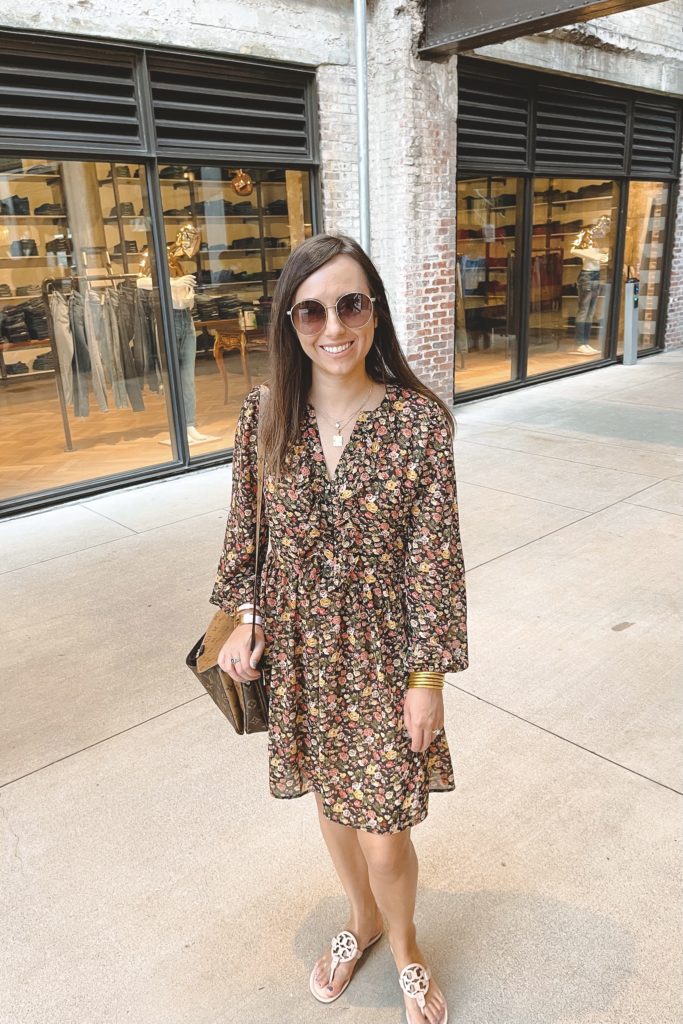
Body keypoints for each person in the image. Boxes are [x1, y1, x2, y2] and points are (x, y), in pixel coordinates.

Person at [210, 233, 468, 1024]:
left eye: (349, 303)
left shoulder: (417, 423)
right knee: (331, 799)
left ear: (374, 311)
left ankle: (405, 944)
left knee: (385, 830)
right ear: (290, 323)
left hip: (384, 659)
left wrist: (427, 682)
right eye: (311, 309)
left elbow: (435, 561)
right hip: (299, 654)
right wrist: (242, 621)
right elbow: (245, 537)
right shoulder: (264, 415)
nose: (333, 326)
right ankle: (358, 921)